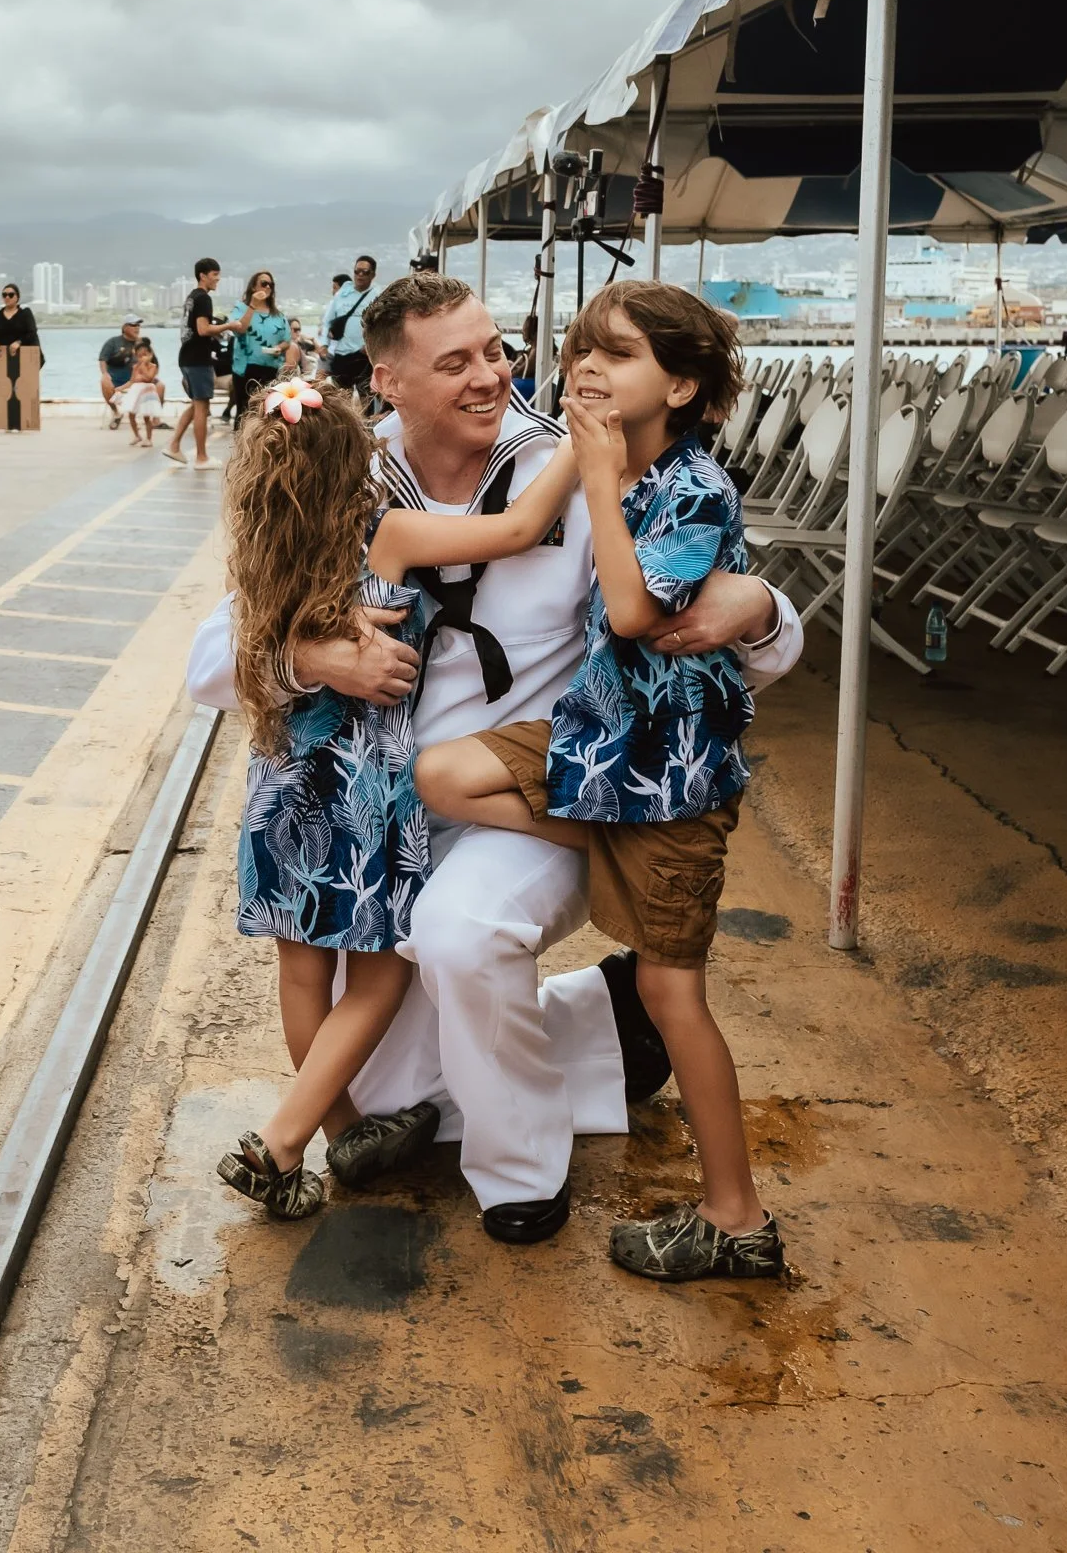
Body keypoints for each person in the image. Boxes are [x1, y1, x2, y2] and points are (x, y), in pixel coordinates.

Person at [188, 272, 802, 1243]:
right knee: (392, 1087)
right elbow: (208, 660)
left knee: (459, 934)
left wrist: (763, 605)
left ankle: (519, 1173)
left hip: (524, 802)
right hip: (387, 818)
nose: (492, 375)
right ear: (387, 379)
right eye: (457, 361)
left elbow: (730, 642)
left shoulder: (584, 465)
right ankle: (604, 1019)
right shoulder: (340, 474)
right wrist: (317, 654)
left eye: (497, 350)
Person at [417, 283, 781, 1282]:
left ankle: (735, 1213)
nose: (585, 365)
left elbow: (626, 607)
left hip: (664, 768)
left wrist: (601, 476)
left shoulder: (687, 485)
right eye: (580, 347)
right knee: (442, 771)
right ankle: (625, 856)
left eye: (616, 354)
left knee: (674, 997)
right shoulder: (593, 463)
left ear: (683, 382)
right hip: (596, 749)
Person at [215, 373, 580, 1221]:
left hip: (281, 785)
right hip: (364, 789)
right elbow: (521, 527)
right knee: (377, 982)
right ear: (361, 466)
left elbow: (238, 663)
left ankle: (342, 1132)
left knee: (303, 975)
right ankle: (279, 1144)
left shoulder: (265, 564)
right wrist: (579, 449)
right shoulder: (389, 538)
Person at [165, 257, 227, 469]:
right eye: (214, 275)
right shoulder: (203, 298)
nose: (217, 279)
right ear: (203, 275)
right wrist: (228, 326)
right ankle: (201, 457)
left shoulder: (192, 297)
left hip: (187, 357)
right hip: (198, 359)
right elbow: (203, 329)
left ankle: (173, 445)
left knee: (196, 405)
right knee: (202, 407)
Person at [228, 271, 295, 427]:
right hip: (246, 368)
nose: (267, 287)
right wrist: (252, 305)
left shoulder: (278, 315)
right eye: (264, 283)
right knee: (244, 411)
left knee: (267, 413)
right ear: (253, 286)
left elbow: (287, 341)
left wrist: (279, 347)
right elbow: (240, 329)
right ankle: (241, 448)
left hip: (271, 368)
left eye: (270, 284)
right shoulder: (241, 308)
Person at [0, 282, 42, 433]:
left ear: (17, 297)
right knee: (5, 389)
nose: (7, 297)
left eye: (10, 295)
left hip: (22, 358)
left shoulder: (25, 313)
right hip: (3, 360)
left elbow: (31, 333)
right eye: (4, 295)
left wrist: (19, 342)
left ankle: (23, 421)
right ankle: (6, 422)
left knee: (22, 389)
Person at [324, 255, 381, 392]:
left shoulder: (378, 296)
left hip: (363, 355)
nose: (360, 275)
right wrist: (323, 345)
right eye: (357, 271)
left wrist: (371, 346)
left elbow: (382, 327)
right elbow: (327, 320)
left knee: (365, 395)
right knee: (340, 396)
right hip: (341, 353)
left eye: (365, 272)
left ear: (373, 274)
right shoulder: (342, 294)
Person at [98, 314, 144, 428]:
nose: (137, 328)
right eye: (133, 325)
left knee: (160, 386)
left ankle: (155, 420)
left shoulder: (142, 344)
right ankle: (116, 413)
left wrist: (140, 348)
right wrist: (105, 374)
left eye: (138, 325)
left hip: (136, 380)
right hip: (116, 380)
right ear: (124, 327)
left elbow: (151, 362)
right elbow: (102, 359)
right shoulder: (113, 342)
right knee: (104, 381)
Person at [117, 345, 164, 447]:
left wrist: (143, 365)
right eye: (139, 356)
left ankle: (149, 438)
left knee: (146, 416)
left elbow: (149, 378)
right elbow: (131, 381)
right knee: (131, 415)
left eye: (145, 355)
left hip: (147, 392)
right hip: (136, 391)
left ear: (150, 355)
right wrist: (121, 388)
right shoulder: (135, 367)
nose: (142, 358)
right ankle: (137, 435)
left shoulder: (153, 366)